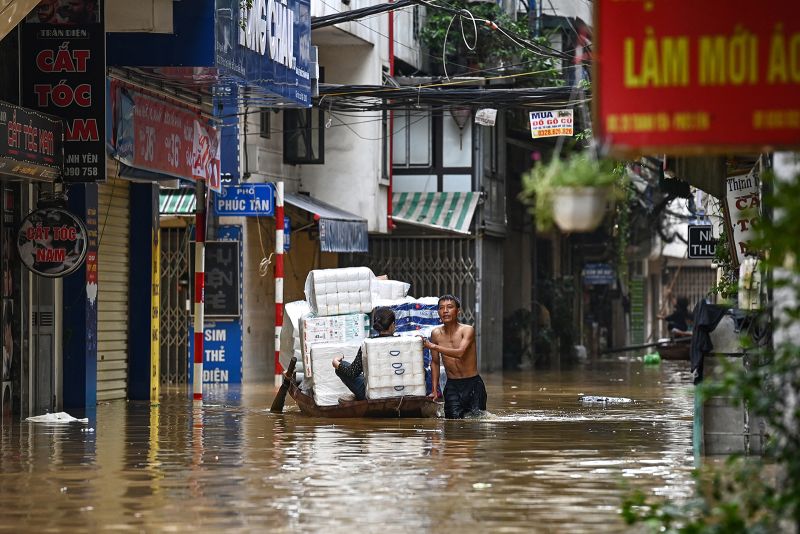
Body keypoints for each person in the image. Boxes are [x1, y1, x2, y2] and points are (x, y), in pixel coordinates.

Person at [422, 294, 487, 419]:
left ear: (458, 311)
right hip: (452, 385)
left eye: (449, 307)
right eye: (441, 308)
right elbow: (435, 362)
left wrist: (433, 346)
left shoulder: (467, 330)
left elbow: (460, 353)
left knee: (477, 422)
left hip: (473, 384)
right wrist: (434, 390)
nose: (445, 311)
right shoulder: (436, 333)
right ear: (438, 312)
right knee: (452, 423)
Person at [331, 306, 396, 401]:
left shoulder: (367, 344)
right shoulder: (403, 343)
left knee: (342, 366)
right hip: (398, 389)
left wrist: (336, 363)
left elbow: (352, 373)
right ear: (392, 325)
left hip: (373, 393)